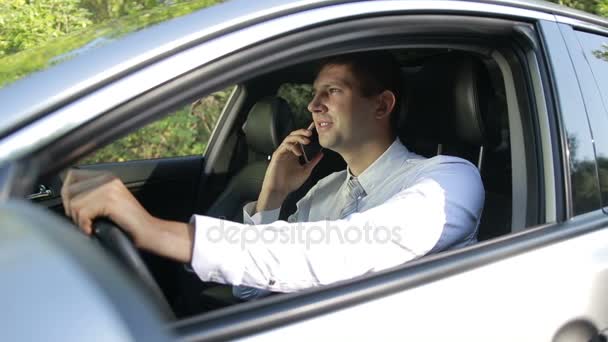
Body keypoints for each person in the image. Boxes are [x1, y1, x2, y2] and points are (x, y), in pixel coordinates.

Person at [61, 51, 484, 301]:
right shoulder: (324, 189)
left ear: (381, 105)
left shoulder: (448, 181)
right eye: (314, 94)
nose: (313, 106)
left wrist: (155, 231)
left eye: (331, 92)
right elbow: (252, 292)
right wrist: (273, 193)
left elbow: (344, 249)